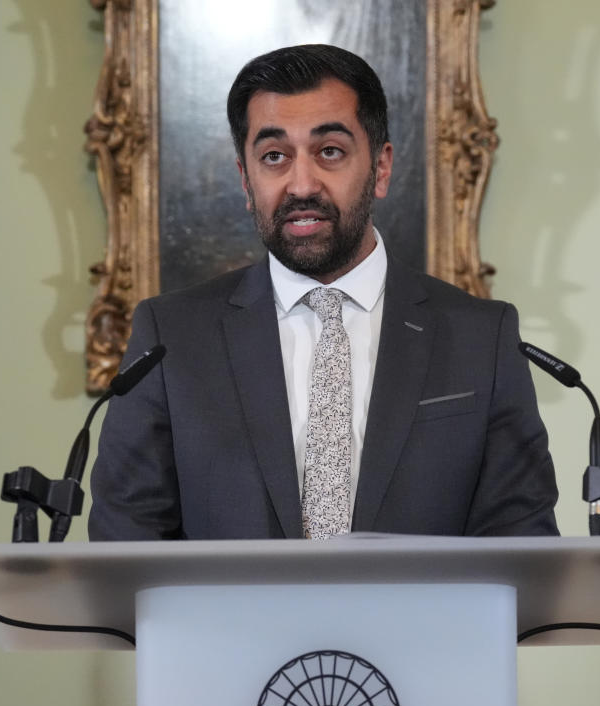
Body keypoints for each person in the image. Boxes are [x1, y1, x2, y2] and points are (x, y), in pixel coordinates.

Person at [89, 44, 558, 541]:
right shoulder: (171, 339)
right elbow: (125, 547)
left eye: (329, 151)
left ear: (380, 168)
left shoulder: (481, 338)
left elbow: (520, 549)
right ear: (245, 181)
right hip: (227, 622)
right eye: (274, 157)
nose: (301, 184)